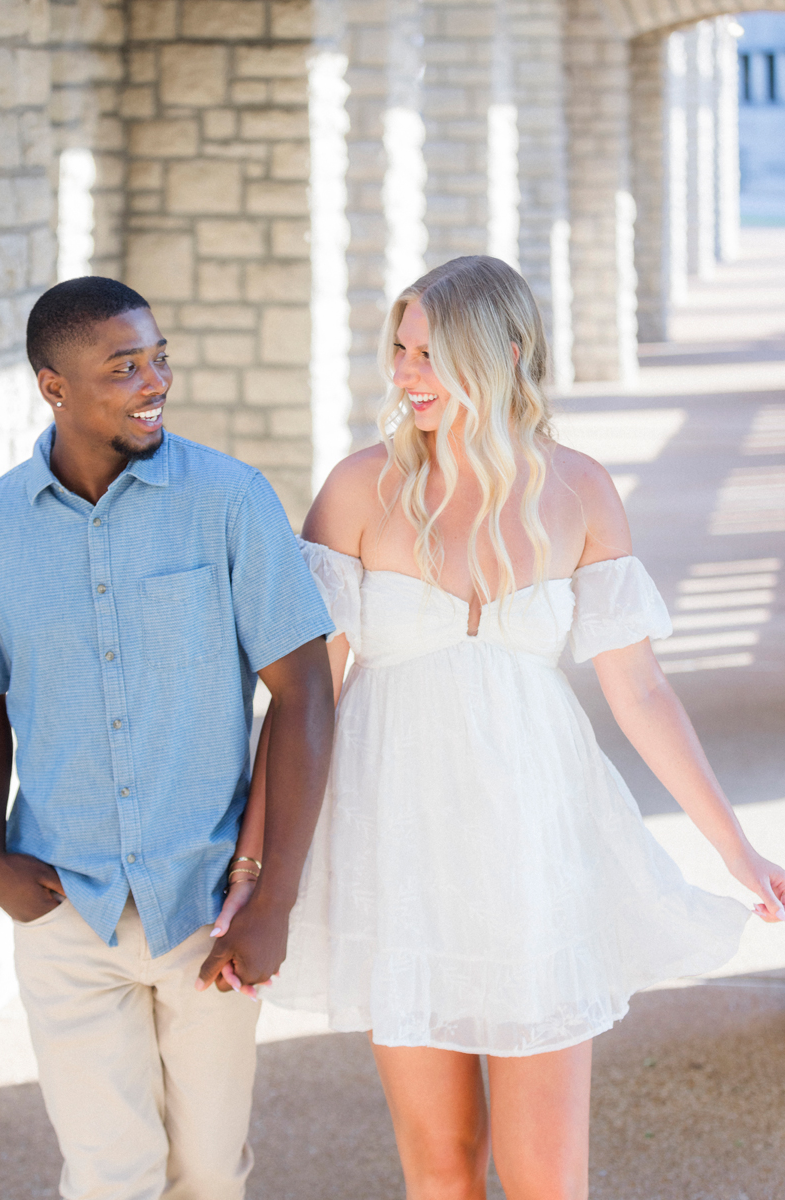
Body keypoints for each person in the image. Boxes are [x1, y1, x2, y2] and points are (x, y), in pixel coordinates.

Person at [254, 256, 785, 1199]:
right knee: (443, 1171)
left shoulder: (580, 490)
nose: (406, 374)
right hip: (399, 851)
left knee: (545, 1176)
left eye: (431, 354)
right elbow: (307, 699)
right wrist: (257, 862)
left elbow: (642, 691)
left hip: (536, 848)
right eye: (402, 350)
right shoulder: (356, 490)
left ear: (504, 354)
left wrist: (736, 850)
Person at [0, 276, 335, 1200]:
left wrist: (272, 898)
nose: (155, 380)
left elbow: (305, 694)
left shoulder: (229, 501)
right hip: (62, 904)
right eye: (125, 367)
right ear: (54, 387)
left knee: (205, 1169)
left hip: (207, 908)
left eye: (159, 358)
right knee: (110, 1173)